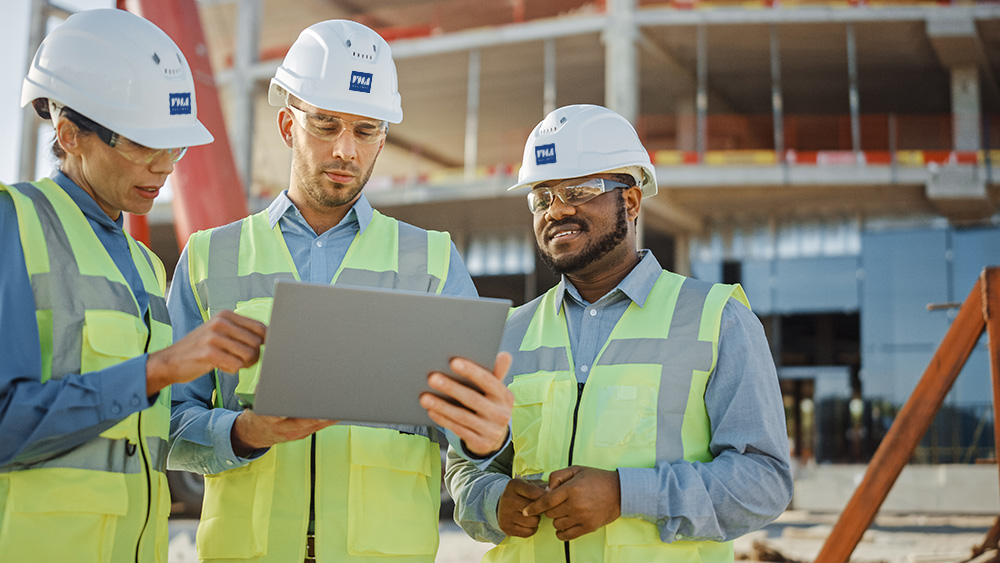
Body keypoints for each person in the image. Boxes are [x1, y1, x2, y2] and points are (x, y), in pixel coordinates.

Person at [166, 19, 513, 562]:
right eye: (326, 125)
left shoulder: (433, 262)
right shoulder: (211, 258)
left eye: (366, 130)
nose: (347, 151)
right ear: (287, 125)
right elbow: (164, 422)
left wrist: (488, 432)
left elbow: (472, 436)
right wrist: (245, 432)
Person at [445, 104, 793, 562]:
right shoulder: (508, 334)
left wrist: (626, 494)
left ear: (630, 202)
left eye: (580, 189)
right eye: (542, 196)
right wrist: (493, 501)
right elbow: (465, 465)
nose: (558, 209)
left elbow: (763, 482)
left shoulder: (718, 319)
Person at [0, 9, 268, 563]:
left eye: (175, 147)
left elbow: (144, 435)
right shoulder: (15, 225)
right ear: (69, 133)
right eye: (145, 145)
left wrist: (248, 430)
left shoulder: (147, 266)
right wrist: (160, 370)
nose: (165, 166)